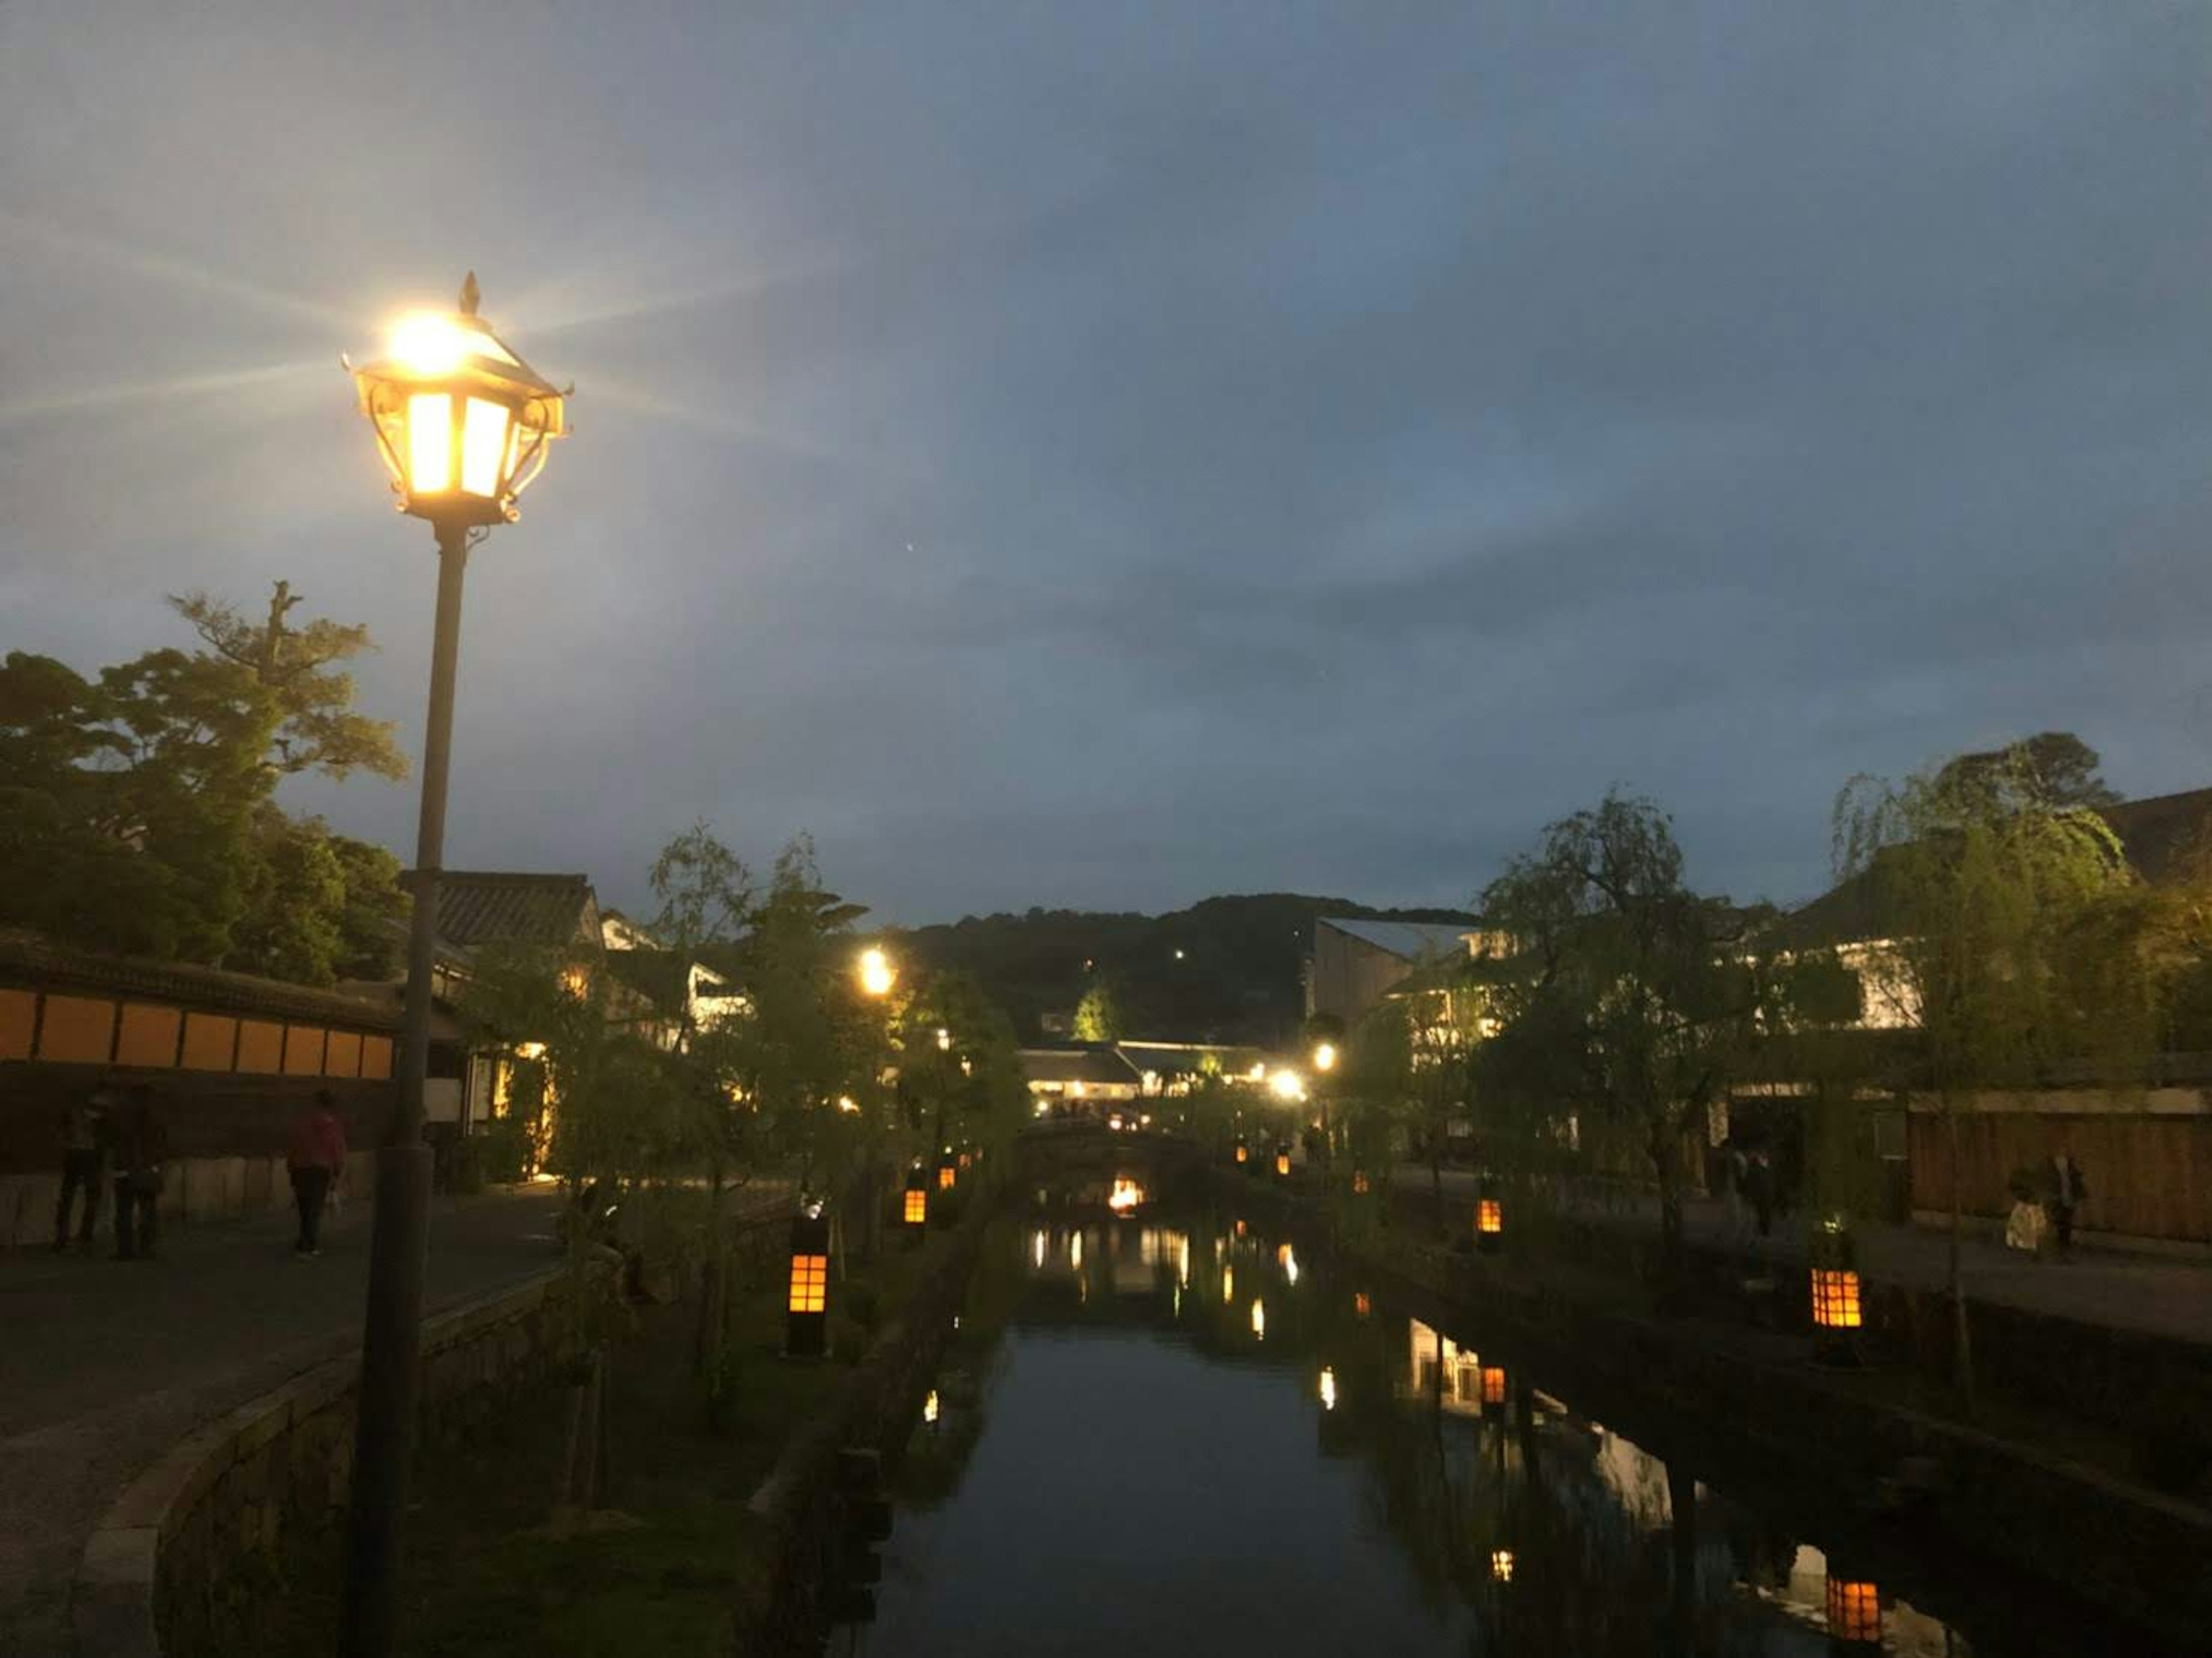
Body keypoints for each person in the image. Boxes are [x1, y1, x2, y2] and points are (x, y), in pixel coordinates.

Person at [54, 1079, 115, 1251]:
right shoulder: (103, 1115)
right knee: (92, 1197)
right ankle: (85, 1234)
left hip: (74, 1155)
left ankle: (61, 1237)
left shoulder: (73, 1112)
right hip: (92, 1157)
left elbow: (61, 1134)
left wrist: (68, 1144)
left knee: (67, 1197)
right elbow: (107, 1138)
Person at [286, 1088, 348, 1257]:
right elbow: (338, 1152)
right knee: (315, 1208)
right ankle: (308, 1245)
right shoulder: (333, 1126)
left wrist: (291, 1167)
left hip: (300, 1169)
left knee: (304, 1207)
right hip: (320, 1171)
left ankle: (303, 1241)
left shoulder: (304, 1123)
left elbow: (294, 1146)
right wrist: (337, 1173)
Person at [111, 1087, 167, 1260]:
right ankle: (147, 1249)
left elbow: (118, 1146)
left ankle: (126, 1250)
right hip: (149, 1171)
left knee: (124, 1213)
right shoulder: (156, 1124)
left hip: (127, 1173)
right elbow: (163, 1147)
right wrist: (156, 1166)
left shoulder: (123, 1124)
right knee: (148, 1212)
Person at [2046, 1147, 2088, 1261]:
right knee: (2059, 1228)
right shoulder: (2052, 1168)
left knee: (2065, 1229)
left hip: (2067, 1202)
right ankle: (2057, 1253)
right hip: (2059, 1202)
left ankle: (2061, 1253)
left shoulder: (2071, 1169)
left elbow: (2077, 1183)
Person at [1746, 1148, 1775, 1239]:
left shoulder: (1761, 1167)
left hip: (1764, 1193)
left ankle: (1765, 1230)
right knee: (1763, 1212)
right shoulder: (1758, 1168)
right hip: (1763, 1193)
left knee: (1764, 1212)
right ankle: (1765, 1230)